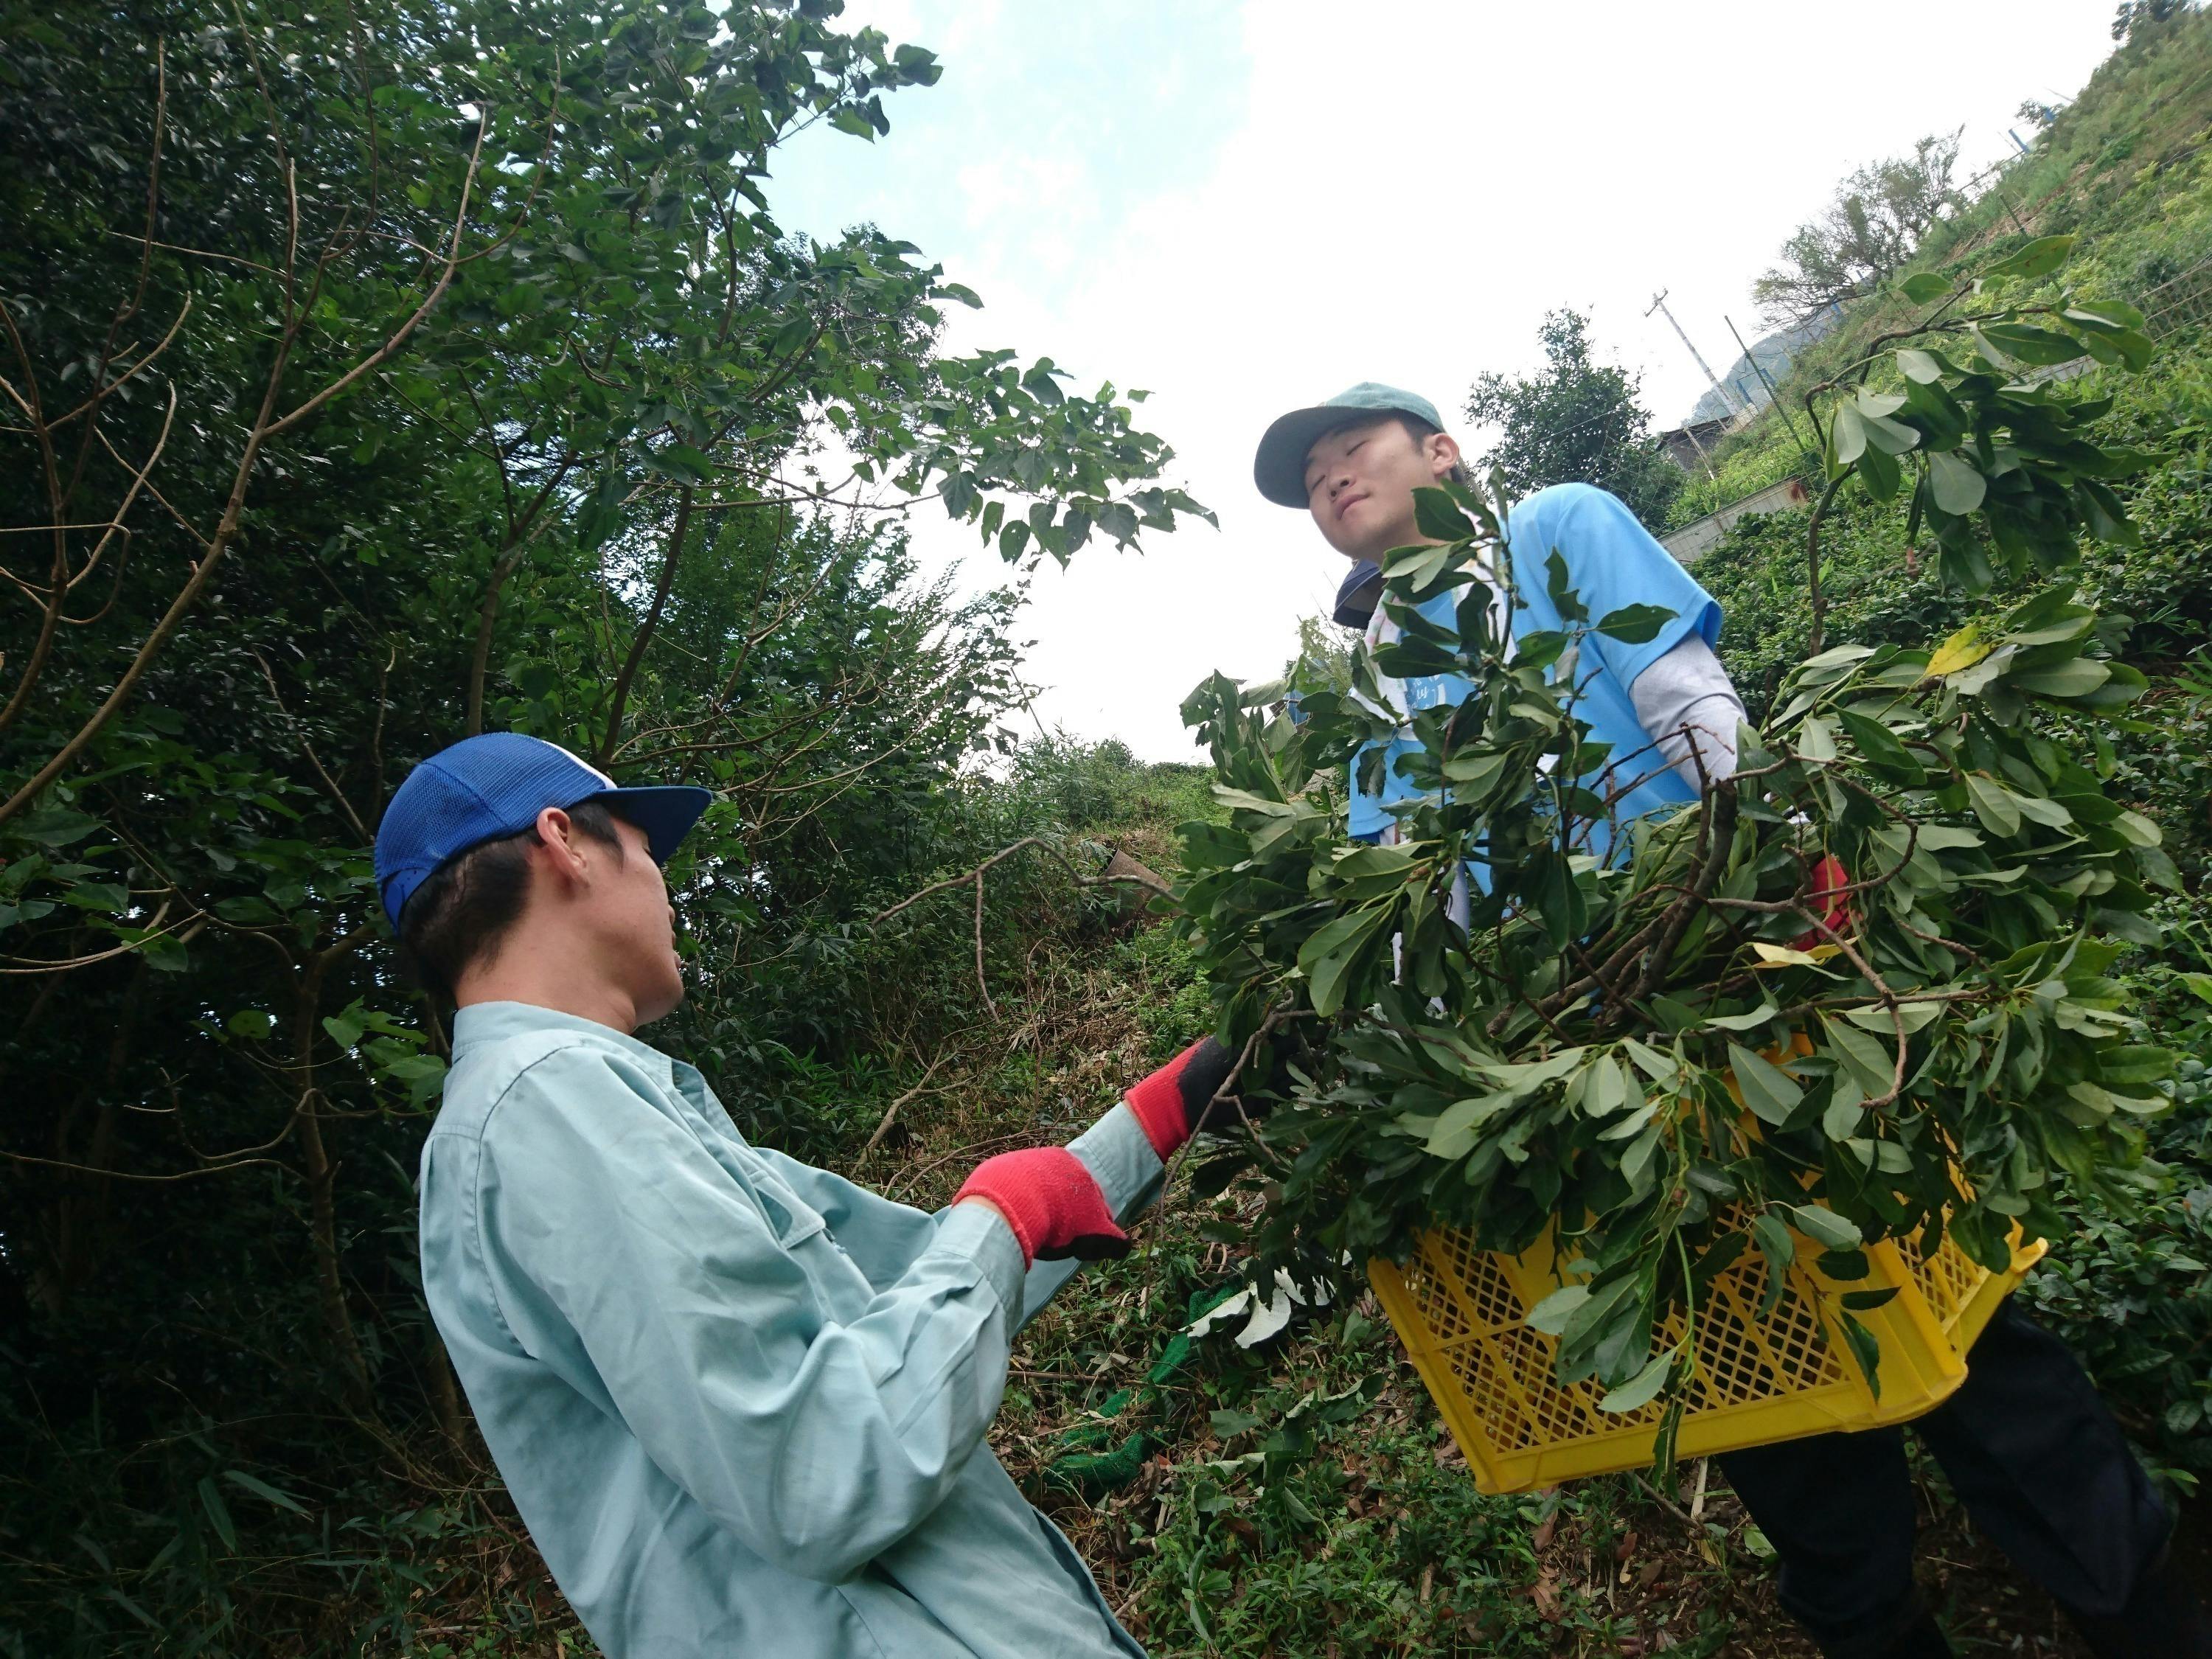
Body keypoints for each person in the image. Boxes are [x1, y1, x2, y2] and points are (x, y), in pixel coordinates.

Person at [1252, 383, 2211, 1659]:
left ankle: (2144, 1616)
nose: (1329, 482)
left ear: (1441, 453)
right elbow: (1420, 925)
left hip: (1738, 970)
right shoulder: (1377, 708)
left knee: (1942, 1318)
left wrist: (1780, 857)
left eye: (1348, 452)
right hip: (1592, 1067)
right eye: (1308, 480)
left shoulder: (1553, 530)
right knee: (1759, 1377)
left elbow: (1682, 695)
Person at [375, 731, 1242, 1659]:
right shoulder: (549, 1105)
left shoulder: (587, 1107)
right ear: (565, 843)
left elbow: (930, 1287)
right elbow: (816, 1471)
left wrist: (1168, 1110)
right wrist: (1003, 1216)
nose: (665, 884)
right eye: (646, 848)